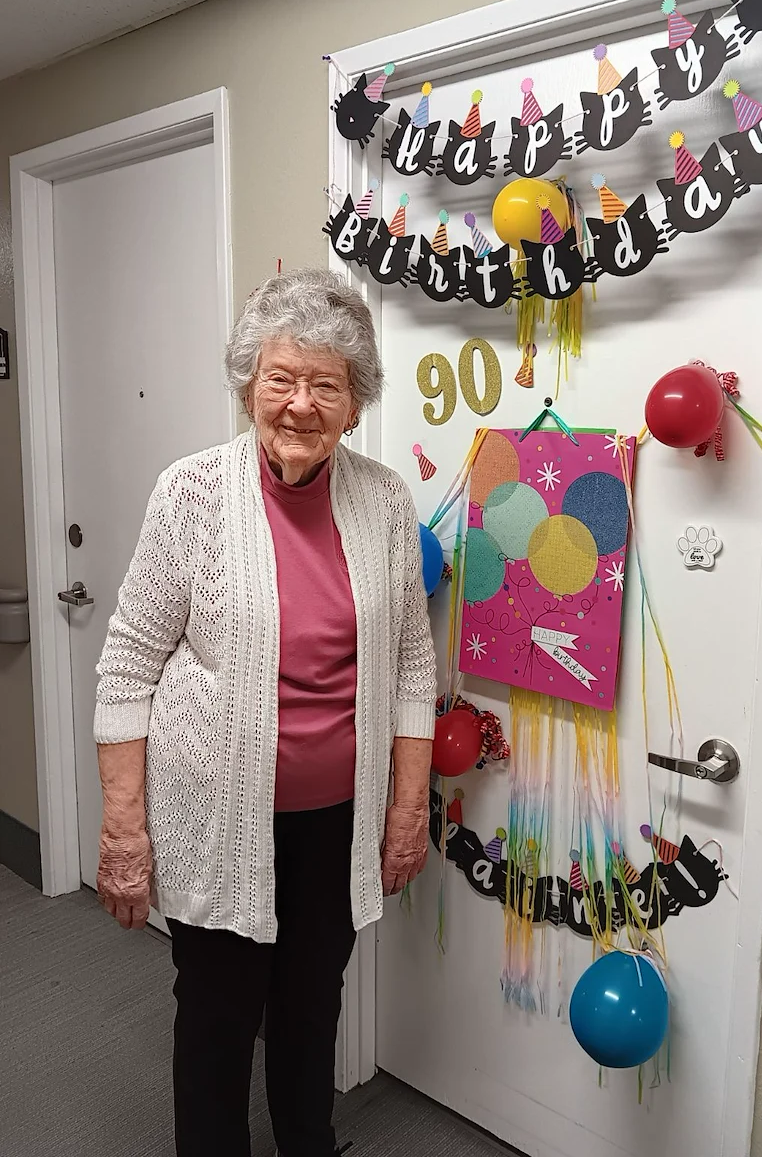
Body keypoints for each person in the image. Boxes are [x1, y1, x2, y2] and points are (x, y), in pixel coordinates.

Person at [92, 268, 437, 1157]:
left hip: (337, 822)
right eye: (280, 378)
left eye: (327, 383)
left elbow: (408, 662)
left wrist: (405, 812)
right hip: (215, 818)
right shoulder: (192, 495)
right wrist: (125, 832)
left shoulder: (387, 501)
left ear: (355, 405)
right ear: (249, 385)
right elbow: (129, 663)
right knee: (214, 1018)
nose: (299, 403)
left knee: (311, 1009)